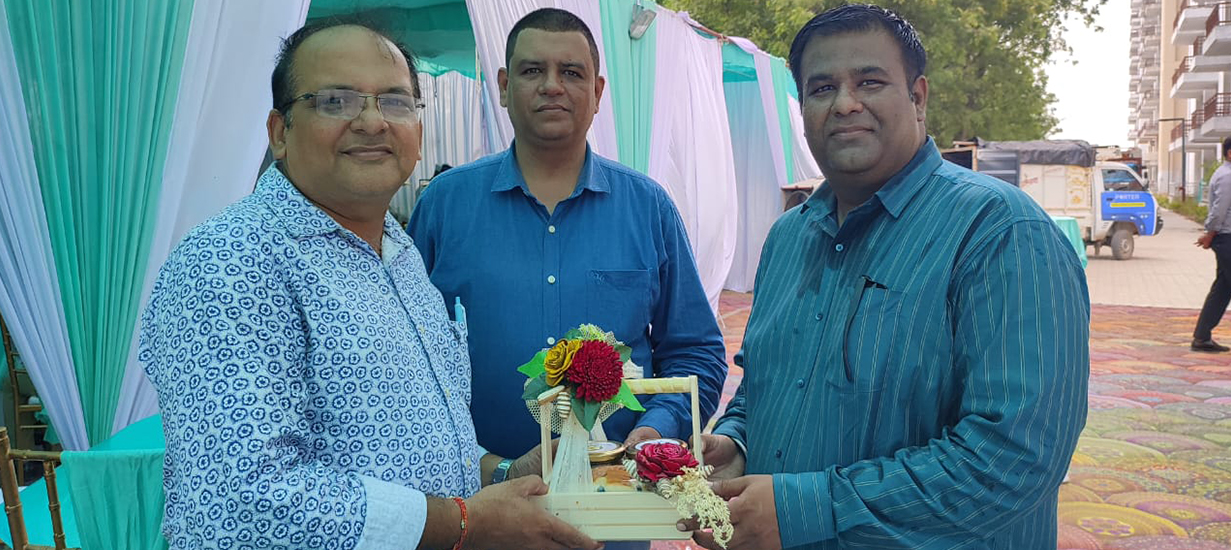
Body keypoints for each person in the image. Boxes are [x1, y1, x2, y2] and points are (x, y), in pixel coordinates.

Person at [139, 18, 599, 550]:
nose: (373, 122)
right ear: (280, 132)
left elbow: (416, 449)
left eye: (395, 102)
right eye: (337, 101)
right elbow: (243, 502)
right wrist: (467, 523)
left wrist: (504, 474)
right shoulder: (232, 260)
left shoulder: (399, 253)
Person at [684, 5, 1090, 549]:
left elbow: (1013, 457)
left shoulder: (1000, 232)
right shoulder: (788, 238)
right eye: (822, 88)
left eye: (869, 82)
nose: (844, 103)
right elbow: (764, 387)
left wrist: (805, 509)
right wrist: (738, 443)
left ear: (918, 97)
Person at [408, 3, 726, 500]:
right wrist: (488, 468)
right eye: (532, 70)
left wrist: (653, 432)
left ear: (598, 92)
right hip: (479, 504)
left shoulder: (648, 207)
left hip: (615, 500)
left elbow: (695, 352)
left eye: (571, 72)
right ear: (503, 87)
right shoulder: (444, 206)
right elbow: (405, 357)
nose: (552, 86)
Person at [1192, 137, 1231, 352]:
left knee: (1223, 289)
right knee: (1222, 288)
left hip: (1224, 237)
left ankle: (1201, 337)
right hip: (1226, 237)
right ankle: (1201, 337)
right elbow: (1219, 209)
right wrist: (1210, 233)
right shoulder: (1227, 176)